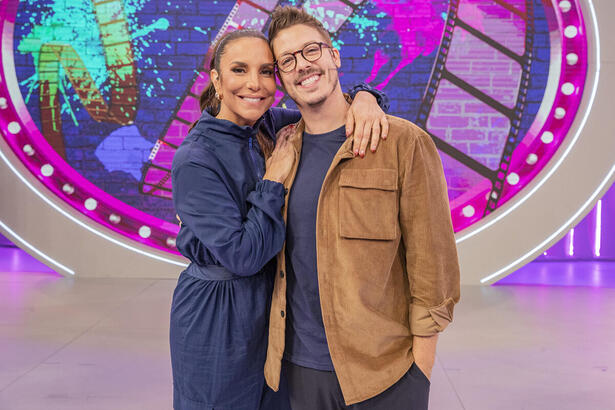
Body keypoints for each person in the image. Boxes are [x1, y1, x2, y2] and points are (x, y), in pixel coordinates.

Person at [170, 28, 388, 410]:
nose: (254, 84)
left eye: (266, 71)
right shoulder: (195, 158)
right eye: (239, 70)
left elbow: (329, 112)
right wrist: (274, 177)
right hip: (218, 317)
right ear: (217, 81)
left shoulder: (271, 124)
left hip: (273, 310)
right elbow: (243, 256)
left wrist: (367, 98)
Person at [263, 7, 461, 410]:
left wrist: (419, 370)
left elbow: (433, 265)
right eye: (288, 60)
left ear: (334, 55)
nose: (303, 66)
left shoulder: (403, 143)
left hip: (384, 376)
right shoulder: (279, 149)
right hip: (296, 374)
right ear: (282, 78)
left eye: (311, 51)